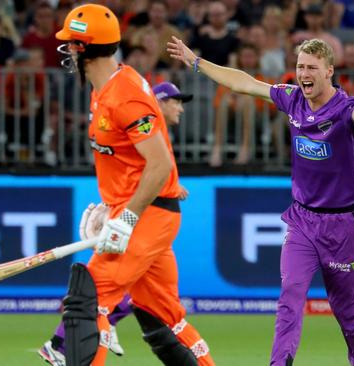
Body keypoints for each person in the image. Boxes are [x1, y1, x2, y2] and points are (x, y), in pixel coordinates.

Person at [168, 34, 354, 366]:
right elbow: (244, 83)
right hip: (303, 221)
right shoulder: (292, 99)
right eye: (300, 66)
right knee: (290, 299)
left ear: (329, 71)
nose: (304, 74)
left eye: (312, 68)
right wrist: (196, 62)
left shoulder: (344, 109)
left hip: (345, 226)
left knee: (349, 315)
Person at [51, 5, 214, 366]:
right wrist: (113, 208)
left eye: (70, 44)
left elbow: (159, 166)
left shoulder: (125, 95)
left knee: (87, 300)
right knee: (163, 318)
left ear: (81, 48)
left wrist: (125, 219)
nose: (65, 50)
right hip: (141, 212)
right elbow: (130, 164)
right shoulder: (105, 89)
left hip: (149, 215)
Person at [38, 81, 193, 365]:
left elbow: (139, 173)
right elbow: (130, 174)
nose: (180, 108)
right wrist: (117, 211)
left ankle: (71, 337)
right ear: (158, 102)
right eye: (175, 100)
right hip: (143, 218)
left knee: (148, 299)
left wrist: (168, 188)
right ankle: (62, 342)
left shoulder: (150, 132)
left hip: (147, 217)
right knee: (102, 293)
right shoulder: (139, 124)